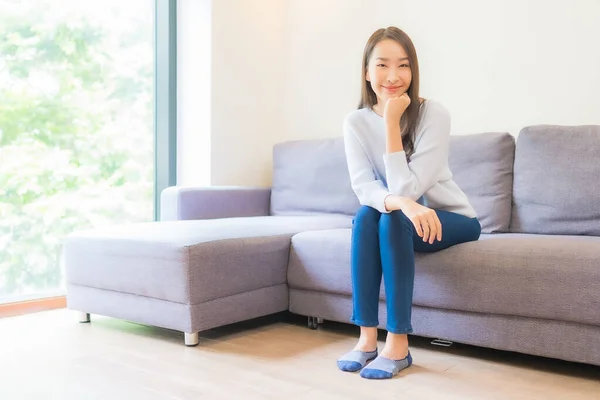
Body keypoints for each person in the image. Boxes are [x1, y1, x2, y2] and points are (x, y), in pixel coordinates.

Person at [337, 26, 482, 380]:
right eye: (382, 65)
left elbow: (408, 186)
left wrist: (390, 122)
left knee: (390, 219)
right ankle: (367, 339)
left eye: (403, 66)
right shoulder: (354, 122)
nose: (393, 76)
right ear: (366, 72)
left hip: (452, 218)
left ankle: (398, 344)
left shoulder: (434, 114)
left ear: (413, 71)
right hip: (403, 217)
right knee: (366, 216)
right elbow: (364, 188)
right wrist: (404, 205)